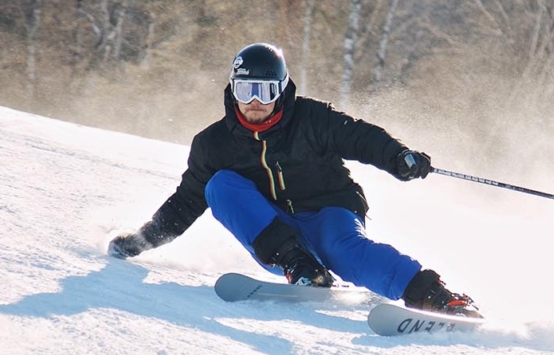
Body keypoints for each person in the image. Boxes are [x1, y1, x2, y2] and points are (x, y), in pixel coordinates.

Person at [109, 42, 480, 317]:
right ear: (232, 91)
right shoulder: (213, 144)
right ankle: (302, 268)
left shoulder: (311, 118)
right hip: (274, 234)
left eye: (265, 91)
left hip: (329, 209)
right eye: (245, 91)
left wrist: (399, 157)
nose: (255, 103)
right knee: (219, 185)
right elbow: (187, 202)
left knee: (342, 249)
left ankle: (434, 295)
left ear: (281, 90)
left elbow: (360, 137)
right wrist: (144, 238)